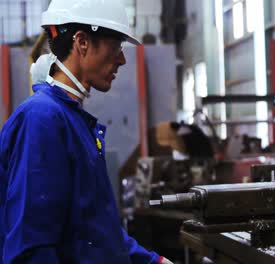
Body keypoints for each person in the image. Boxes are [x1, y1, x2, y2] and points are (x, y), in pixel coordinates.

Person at [0, 0, 172, 263]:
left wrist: (153, 262)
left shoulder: (72, 120)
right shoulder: (42, 119)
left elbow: (95, 230)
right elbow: (31, 249)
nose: (122, 59)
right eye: (116, 46)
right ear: (82, 42)